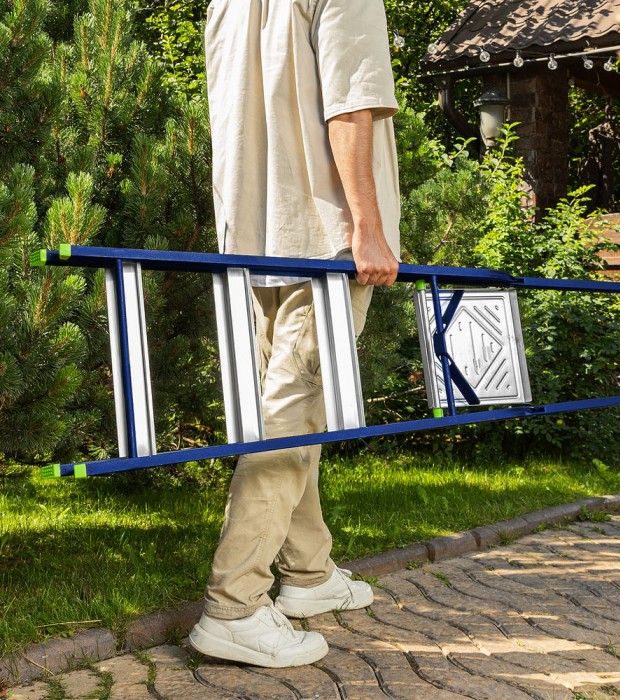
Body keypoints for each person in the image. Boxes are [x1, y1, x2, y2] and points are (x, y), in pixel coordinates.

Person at [189, 0, 401, 668]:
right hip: (323, 240)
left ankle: (310, 574)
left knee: (288, 415)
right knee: (289, 421)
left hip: (252, 240)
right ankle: (234, 605)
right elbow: (350, 104)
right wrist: (367, 227)